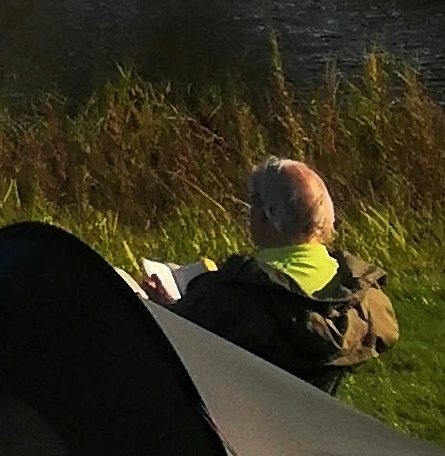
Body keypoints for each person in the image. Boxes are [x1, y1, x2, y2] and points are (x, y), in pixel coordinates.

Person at [169, 158, 398, 392]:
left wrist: (162, 308)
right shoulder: (365, 300)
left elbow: (172, 340)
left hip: (236, 413)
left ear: (265, 214)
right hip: (315, 419)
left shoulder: (226, 293)